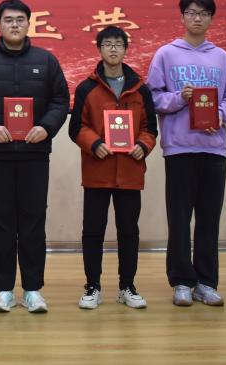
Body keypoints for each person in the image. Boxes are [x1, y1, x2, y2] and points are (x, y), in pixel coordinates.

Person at [0, 0, 69, 314]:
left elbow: (60, 101)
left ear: (28, 23)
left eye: (20, 19)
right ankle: (4, 289)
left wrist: (45, 128)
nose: (15, 25)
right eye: (8, 20)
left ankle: (33, 289)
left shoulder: (46, 61)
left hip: (35, 154)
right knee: (2, 221)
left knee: (33, 221)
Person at [146, 0, 226, 308]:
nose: (197, 18)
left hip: (213, 149)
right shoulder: (166, 54)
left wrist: (220, 116)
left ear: (211, 18)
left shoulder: (222, 58)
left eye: (203, 13)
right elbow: (152, 98)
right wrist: (179, 98)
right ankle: (181, 282)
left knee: (209, 220)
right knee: (179, 220)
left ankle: (206, 282)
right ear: (182, 17)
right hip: (179, 149)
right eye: (191, 12)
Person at [68, 25, 156, 310]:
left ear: (126, 49)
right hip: (98, 171)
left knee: (128, 231)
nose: (113, 49)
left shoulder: (140, 88)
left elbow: (150, 129)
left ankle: (127, 286)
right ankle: (92, 286)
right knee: (93, 231)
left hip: (130, 171)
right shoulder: (87, 88)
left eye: (118, 44)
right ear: (99, 49)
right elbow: (76, 128)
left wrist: (142, 145)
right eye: (108, 44)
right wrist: (94, 143)